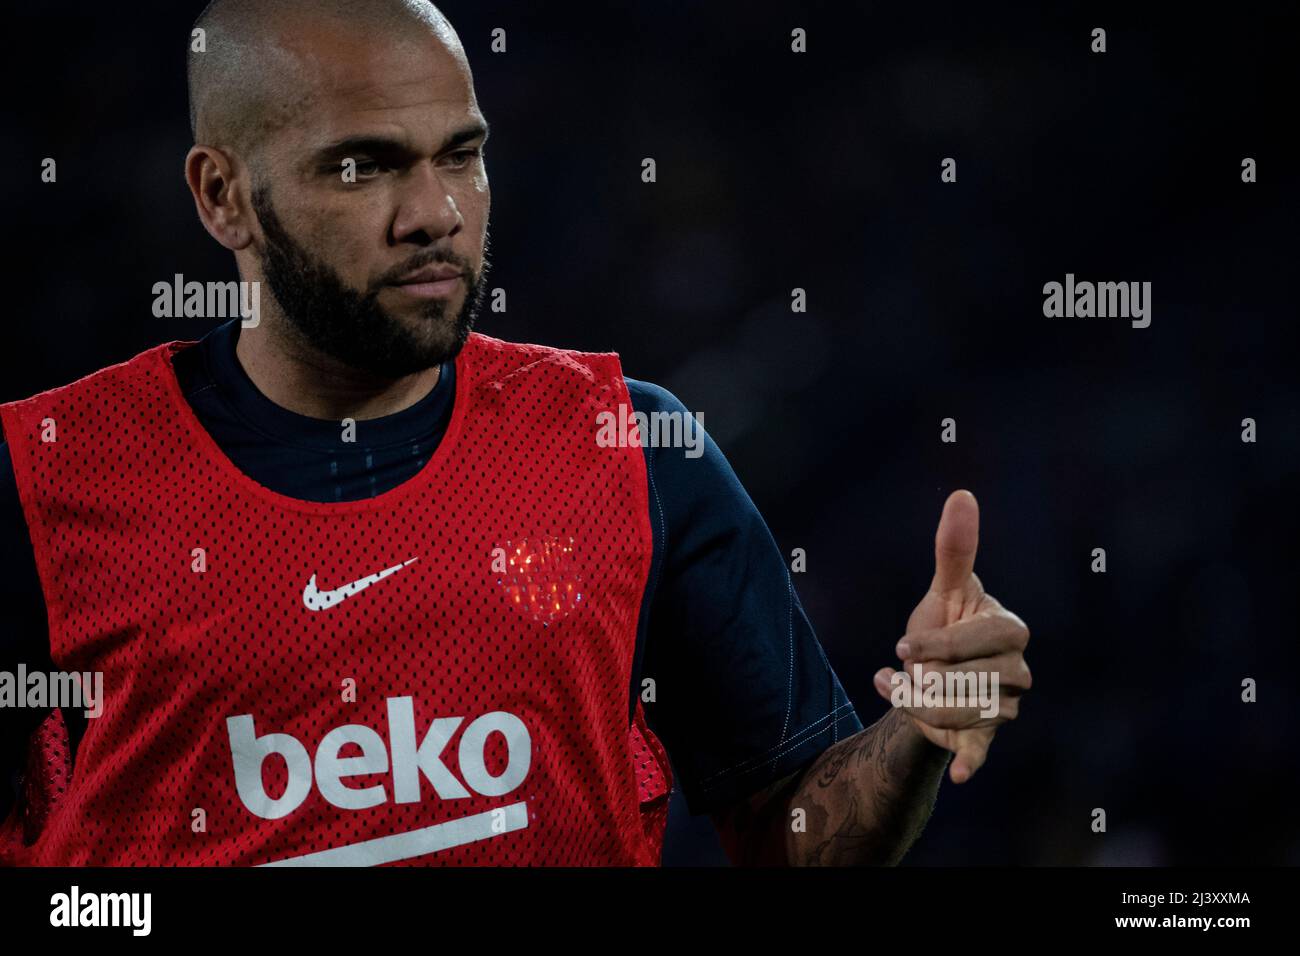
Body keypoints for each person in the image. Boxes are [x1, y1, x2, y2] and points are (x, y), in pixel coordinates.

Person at [0, 0, 1031, 866]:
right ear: (223, 197)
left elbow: (795, 825)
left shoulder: (631, 449)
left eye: (462, 154)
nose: (436, 212)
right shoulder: (44, 483)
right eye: (364, 168)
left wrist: (916, 734)